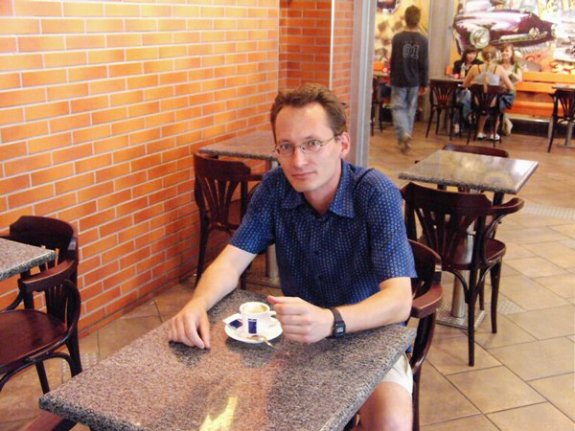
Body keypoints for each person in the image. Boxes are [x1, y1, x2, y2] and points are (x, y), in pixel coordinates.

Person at [169, 83, 416, 431]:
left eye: (312, 143)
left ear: (342, 144)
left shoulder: (375, 193)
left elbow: (400, 300)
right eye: (286, 147)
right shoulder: (274, 189)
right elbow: (230, 262)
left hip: (369, 335)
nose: (297, 161)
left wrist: (331, 321)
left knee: (392, 423)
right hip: (298, 340)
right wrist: (197, 304)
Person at [389, 5, 429, 153]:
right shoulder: (423, 40)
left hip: (399, 79)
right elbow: (424, 63)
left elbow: (393, 60)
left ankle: (404, 135)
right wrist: (425, 83)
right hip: (415, 81)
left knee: (398, 108)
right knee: (410, 110)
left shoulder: (397, 38)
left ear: (405, 19)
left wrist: (391, 76)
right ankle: (406, 137)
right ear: (418, 20)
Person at [462, 45, 514, 141]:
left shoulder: (474, 68)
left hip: (477, 102)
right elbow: (511, 87)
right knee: (500, 104)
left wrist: (474, 84)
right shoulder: (499, 68)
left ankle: (480, 132)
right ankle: (493, 133)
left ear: (482, 56)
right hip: (493, 103)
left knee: (484, 105)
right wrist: (499, 85)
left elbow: (464, 85)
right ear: (495, 56)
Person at [451, 47, 483, 134]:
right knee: (465, 94)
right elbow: (455, 75)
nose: (471, 56)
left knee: (462, 100)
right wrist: (456, 76)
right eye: (469, 53)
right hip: (459, 89)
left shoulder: (479, 64)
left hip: (474, 92)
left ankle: (457, 123)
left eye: (474, 54)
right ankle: (469, 117)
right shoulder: (458, 63)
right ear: (465, 54)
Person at [498, 43, 523, 135]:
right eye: (502, 51)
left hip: (509, 92)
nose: (504, 53)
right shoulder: (497, 64)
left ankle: (503, 125)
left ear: (512, 53)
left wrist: (510, 73)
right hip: (497, 91)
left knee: (498, 105)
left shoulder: (516, 65)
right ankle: (506, 124)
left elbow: (519, 79)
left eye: (507, 51)